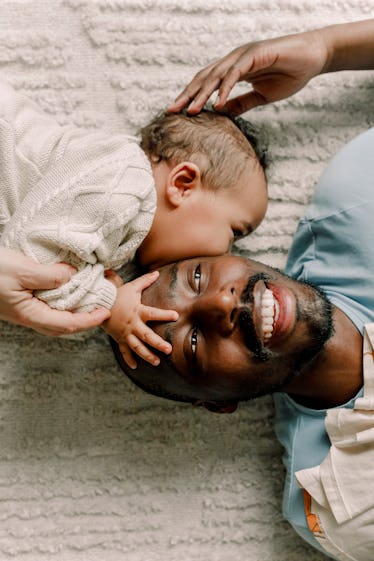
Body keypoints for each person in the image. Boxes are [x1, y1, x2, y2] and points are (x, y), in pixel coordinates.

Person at [111, 18, 374, 561]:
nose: (220, 305)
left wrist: (327, 49)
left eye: (198, 278)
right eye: (190, 345)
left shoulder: (361, 200)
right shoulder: (334, 499)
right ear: (217, 404)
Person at [0, 78, 268, 368]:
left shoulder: (122, 228)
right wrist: (109, 302)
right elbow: (30, 269)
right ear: (183, 184)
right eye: (235, 232)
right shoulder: (126, 182)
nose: (226, 255)